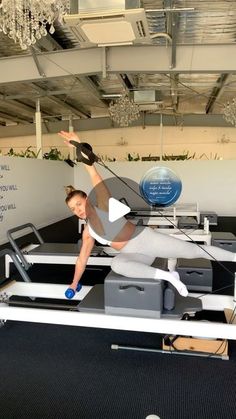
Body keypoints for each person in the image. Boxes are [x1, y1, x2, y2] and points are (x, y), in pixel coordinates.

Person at [59, 130, 236, 298]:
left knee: (195, 251)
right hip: (135, 254)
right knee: (117, 264)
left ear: (87, 200)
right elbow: (82, 260)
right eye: (73, 209)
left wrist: (78, 144)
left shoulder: (104, 205)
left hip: (146, 240)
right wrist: (74, 284)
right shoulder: (88, 232)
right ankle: (169, 276)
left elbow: (93, 174)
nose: (78, 210)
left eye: (79, 204)